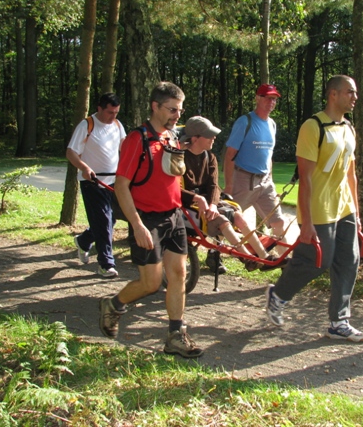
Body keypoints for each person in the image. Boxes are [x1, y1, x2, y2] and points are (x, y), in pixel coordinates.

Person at [99, 81, 203, 359]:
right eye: (171, 109)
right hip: (147, 220)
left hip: (173, 216)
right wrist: (137, 226)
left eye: (179, 110)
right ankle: (113, 305)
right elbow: (122, 185)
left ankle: (175, 336)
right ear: (155, 106)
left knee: (179, 275)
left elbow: (169, 182)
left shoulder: (171, 138)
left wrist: (192, 199)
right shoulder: (138, 139)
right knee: (151, 283)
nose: (176, 116)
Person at [265, 75, 363, 342]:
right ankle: (278, 295)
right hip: (318, 208)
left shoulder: (348, 128)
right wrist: (307, 221)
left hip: (344, 207)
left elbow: (350, 174)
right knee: (315, 262)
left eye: (355, 93)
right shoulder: (313, 127)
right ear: (333, 94)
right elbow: (306, 178)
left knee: (349, 261)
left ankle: (339, 322)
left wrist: (356, 214)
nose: (355, 97)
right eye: (350, 92)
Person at [180, 116, 278, 272]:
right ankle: (246, 258)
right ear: (195, 138)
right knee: (222, 219)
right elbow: (174, 190)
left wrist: (212, 204)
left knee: (237, 215)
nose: (214, 137)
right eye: (209, 135)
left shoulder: (209, 157)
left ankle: (263, 256)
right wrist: (197, 198)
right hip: (188, 205)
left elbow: (214, 185)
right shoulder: (179, 158)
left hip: (207, 203)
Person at [67, 93, 126, 278]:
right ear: (99, 109)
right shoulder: (87, 125)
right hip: (92, 182)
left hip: (114, 182)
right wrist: (84, 168)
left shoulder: (117, 125)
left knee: (111, 219)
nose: (113, 116)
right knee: (104, 222)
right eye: (110, 112)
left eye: (116, 112)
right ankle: (106, 264)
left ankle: (84, 241)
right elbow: (71, 152)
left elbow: (124, 148)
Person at [223, 84, 287, 254]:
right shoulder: (245, 122)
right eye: (267, 98)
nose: (271, 102)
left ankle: (286, 264)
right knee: (228, 219)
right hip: (244, 180)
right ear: (258, 98)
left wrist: (271, 179)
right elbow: (230, 154)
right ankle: (215, 256)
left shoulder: (272, 125)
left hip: (265, 183)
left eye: (274, 99)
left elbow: (269, 155)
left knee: (278, 221)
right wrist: (229, 186)